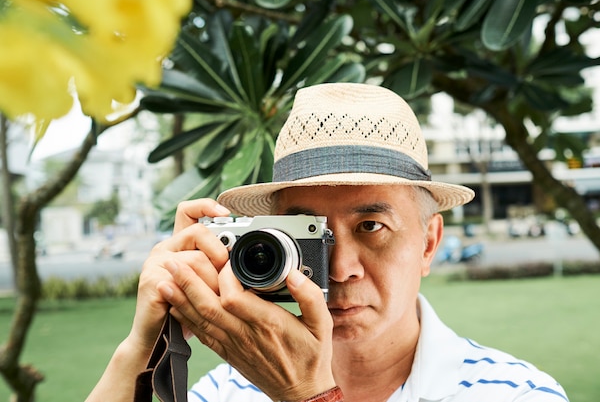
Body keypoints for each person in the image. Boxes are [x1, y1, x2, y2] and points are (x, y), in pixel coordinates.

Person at [87, 83, 568, 402]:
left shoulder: (518, 393)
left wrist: (307, 395)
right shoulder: (224, 392)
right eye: (307, 235)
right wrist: (142, 350)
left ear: (428, 242)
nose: (340, 269)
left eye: (371, 227)